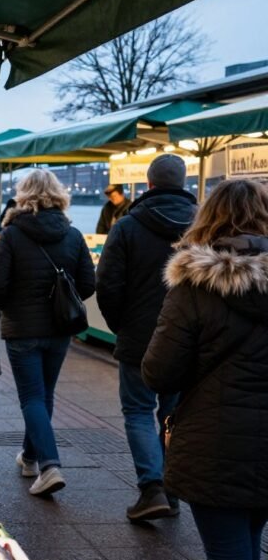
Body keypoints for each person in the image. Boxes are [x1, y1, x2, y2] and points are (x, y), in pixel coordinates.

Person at [142, 179, 268, 560]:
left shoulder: (195, 286)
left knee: (227, 547)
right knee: (250, 537)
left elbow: (159, 373)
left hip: (214, 446)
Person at [96, 154, 197, 521]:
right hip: (187, 338)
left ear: (149, 184)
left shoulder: (128, 225)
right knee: (173, 414)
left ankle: (152, 487)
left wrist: (120, 326)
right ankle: (171, 490)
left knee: (138, 410)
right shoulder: (203, 227)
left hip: (139, 336)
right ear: (183, 183)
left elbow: (107, 284)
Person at [0, 169, 96, 496]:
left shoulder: (11, 234)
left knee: (32, 397)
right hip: (60, 329)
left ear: (24, 195)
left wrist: (13, 306)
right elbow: (88, 284)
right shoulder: (73, 234)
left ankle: (49, 465)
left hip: (22, 328)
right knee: (44, 394)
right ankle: (30, 457)